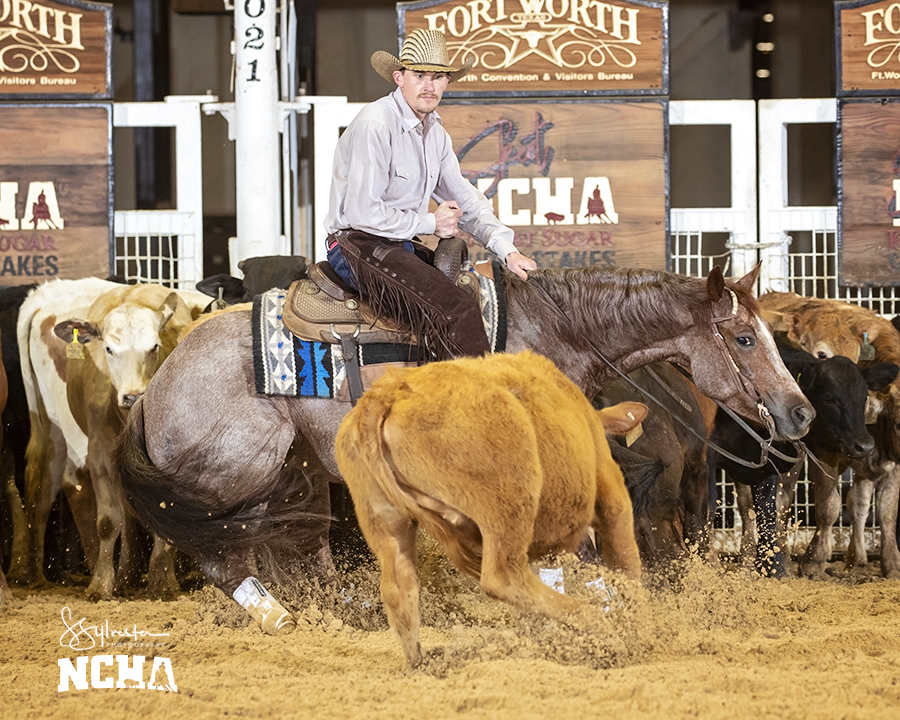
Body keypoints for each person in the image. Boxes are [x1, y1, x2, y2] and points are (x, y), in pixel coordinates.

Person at [324, 28, 537, 360]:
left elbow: (465, 199)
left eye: (437, 77)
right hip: (357, 245)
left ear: (447, 81)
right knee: (457, 309)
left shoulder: (435, 134)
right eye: (419, 75)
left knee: (470, 292)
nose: (429, 85)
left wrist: (507, 250)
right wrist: (430, 223)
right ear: (399, 78)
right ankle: (479, 393)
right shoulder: (375, 125)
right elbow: (361, 212)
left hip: (397, 245)